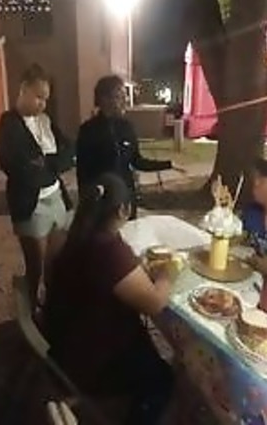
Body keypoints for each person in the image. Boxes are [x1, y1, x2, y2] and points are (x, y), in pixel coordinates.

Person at [42, 173, 174, 425]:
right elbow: (155, 303)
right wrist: (168, 274)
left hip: (65, 343)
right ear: (124, 210)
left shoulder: (70, 234)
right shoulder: (108, 250)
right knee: (163, 379)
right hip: (91, 363)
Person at [0, 63, 74, 307]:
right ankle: (32, 310)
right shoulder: (9, 124)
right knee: (36, 265)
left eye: (46, 99)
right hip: (31, 204)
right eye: (38, 97)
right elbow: (17, 167)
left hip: (56, 197)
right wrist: (51, 164)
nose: (43, 104)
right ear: (23, 90)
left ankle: (54, 306)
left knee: (57, 260)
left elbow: (69, 151)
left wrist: (46, 163)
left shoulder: (45, 121)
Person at [76, 75, 182, 219]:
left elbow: (137, 161)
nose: (125, 101)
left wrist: (169, 164)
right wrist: (87, 204)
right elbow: (83, 173)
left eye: (125, 96)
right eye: (119, 96)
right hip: (103, 203)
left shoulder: (126, 127)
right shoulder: (88, 131)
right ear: (104, 99)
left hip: (126, 198)